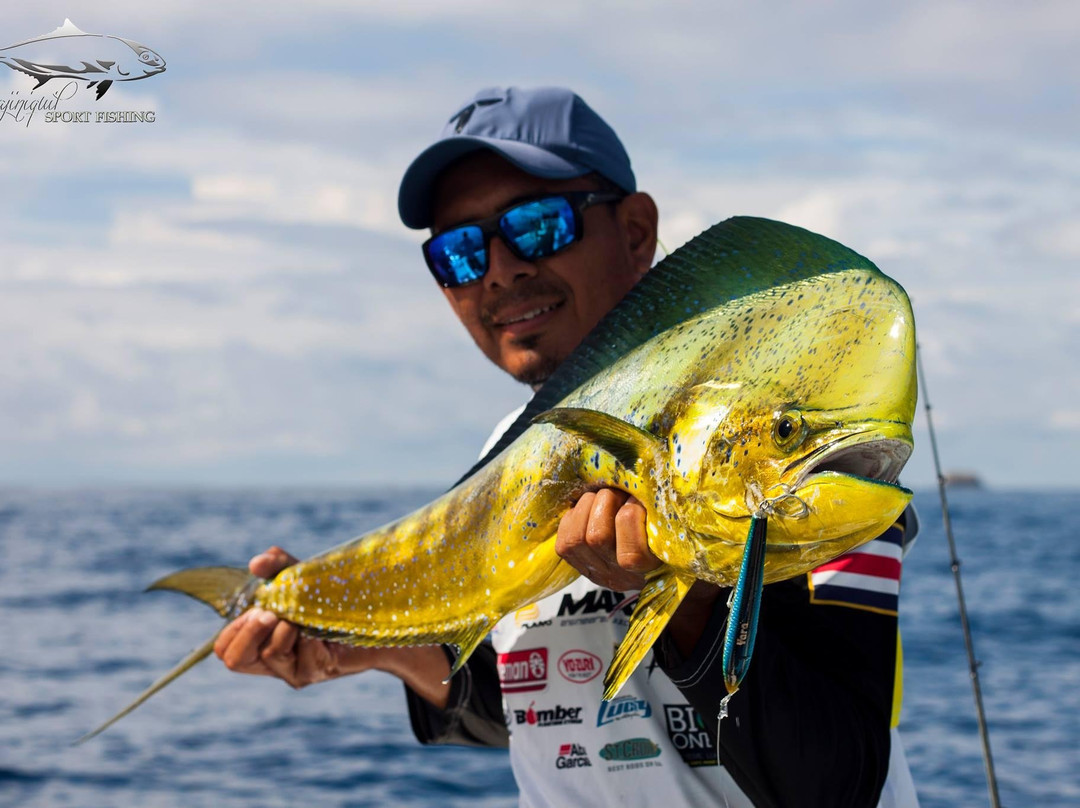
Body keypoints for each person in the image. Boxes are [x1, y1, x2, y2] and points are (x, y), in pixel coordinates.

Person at [213, 86, 920, 808]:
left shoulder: (780, 456)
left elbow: (834, 783)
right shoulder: (508, 451)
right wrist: (369, 646)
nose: (499, 269)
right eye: (459, 252)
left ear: (637, 230)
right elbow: (525, 709)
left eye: (537, 225)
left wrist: (688, 591)